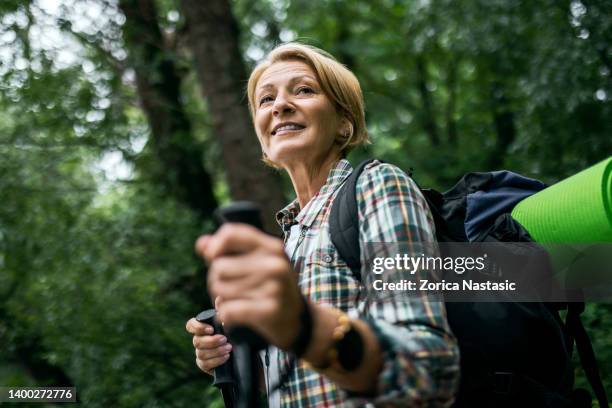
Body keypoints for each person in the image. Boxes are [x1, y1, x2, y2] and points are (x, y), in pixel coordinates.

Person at [186, 42, 459, 407]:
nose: (280, 105)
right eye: (266, 100)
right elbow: (303, 389)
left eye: (304, 90)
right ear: (263, 141)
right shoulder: (289, 238)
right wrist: (235, 358)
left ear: (344, 122)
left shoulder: (378, 187)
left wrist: (302, 325)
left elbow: (427, 370)